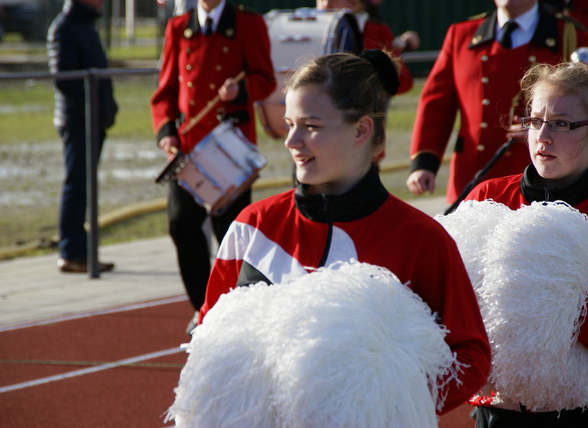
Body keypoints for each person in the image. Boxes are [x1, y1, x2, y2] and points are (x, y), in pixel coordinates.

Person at [198, 49, 492, 414]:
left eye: (312, 126)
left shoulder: (421, 240)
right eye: (290, 124)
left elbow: (471, 357)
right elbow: (209, 335)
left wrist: (383, 405)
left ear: (361, 130)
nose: (292, 141)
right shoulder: (253, 226)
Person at [465, 61, 588, 426]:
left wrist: (562, 291)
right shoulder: (489, 196)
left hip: (585, 412)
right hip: (494, 409)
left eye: (562, 123)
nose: (542, 136)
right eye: (534, 120)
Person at [150, 0, 276, 329]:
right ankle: (203, 307)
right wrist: (167, 134)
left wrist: (241, 89)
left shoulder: (248, 24)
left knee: (232, 234)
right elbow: (165, 94)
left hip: (229, 151)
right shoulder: (178, 28)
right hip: (189, 152)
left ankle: (236, 306)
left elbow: (266, 79)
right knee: (181, 225)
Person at [406, 0, 588, 205]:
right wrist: (424, 162)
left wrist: (548, 130)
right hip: (472, 179)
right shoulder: (462, 34)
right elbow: (436, 104)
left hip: (541, 184)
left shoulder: (571, 36)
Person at [47, 0, 118, 273]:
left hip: (92, 120)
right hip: (77, 122)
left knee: (83, 187)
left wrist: (106, 108)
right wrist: (93, 107)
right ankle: (71, 252)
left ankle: (81, 251)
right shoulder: (64, 27)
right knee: (76, 186)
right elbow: (64, 78)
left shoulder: (84, 25)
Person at [316, 0, 416, 94]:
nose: (326, 5)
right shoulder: (308, 28)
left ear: (351, 3)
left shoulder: (374, 29)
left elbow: (400, 82)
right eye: (321, 0)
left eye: (333, 0)